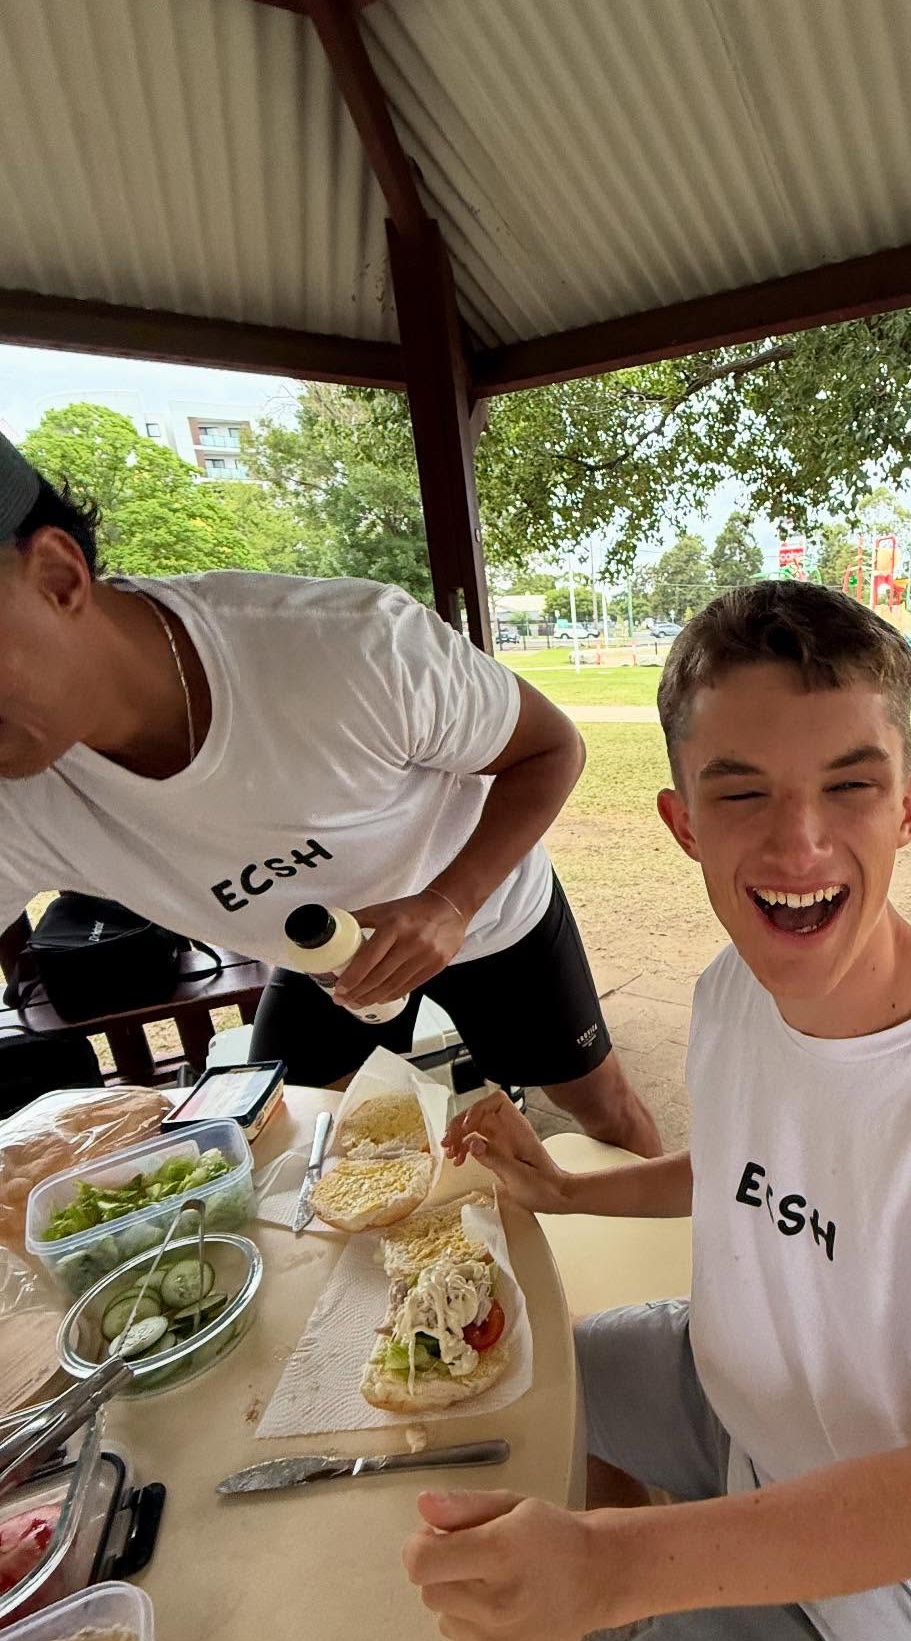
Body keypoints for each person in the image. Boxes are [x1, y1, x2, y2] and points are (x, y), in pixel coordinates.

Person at [406, 581, 911, 1641]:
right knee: (522, 1390)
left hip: (908, 1626)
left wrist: (613, 1565)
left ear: (909, 808)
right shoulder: (732, 993)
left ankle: (665, 1625)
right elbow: (757, 1167)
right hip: (746, 1401)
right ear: (683, 820)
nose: (798, 843)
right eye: (742, 791)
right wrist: (583, 1195)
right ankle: (653, 1613)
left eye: (849, 786)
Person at [0, 433, 659, 1154]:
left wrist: (449, 903)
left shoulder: (348, 649)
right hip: (323, 965)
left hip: (489, 914)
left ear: (59, 576)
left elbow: (552, 746)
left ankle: (684, 1261)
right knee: (262, 1136)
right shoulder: (14, 805)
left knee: (605, 1110)